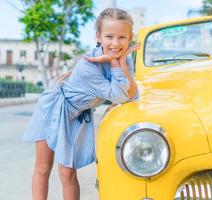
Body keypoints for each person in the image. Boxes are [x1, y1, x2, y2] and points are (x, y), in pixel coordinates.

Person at [23, 8, 139, 200]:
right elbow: (119, 96)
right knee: (43, 167)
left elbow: (133, 95)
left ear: (129, 38)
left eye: (122, 37)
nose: (116, 43)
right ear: (98, 36)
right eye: (109, 36)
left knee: (68, 172)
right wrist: (113, 63)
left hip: (76, 113)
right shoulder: (89, 65)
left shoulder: (123, 59)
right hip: (54, 106)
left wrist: (122, 64)